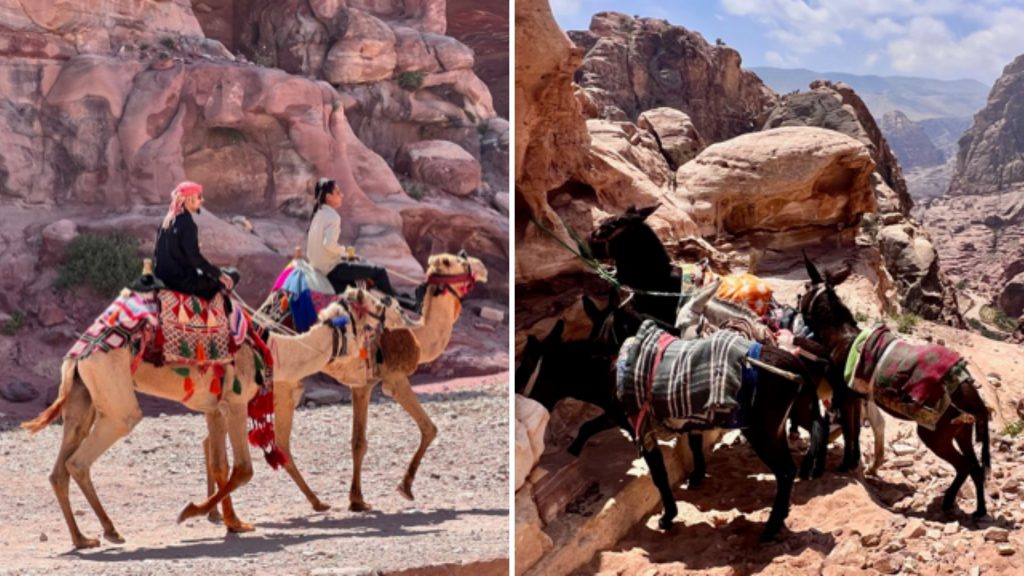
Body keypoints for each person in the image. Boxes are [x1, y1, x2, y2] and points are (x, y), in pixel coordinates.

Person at [306, 178, 415, 309]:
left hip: (319, 267)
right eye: (338, 192)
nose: (342, 195)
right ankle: (394, 308)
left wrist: (342, 256)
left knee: (359, 278)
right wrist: (343, 251)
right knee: (379, 271)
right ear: (328, 197)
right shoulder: (333, 217)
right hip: (331, 269)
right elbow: (328, 244)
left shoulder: (318, 214)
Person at [154, 181, 239, 300]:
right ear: (189, 200)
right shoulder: (187, 224)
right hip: (182, 282)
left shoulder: (165, 222)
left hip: (162, 278)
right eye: (199, 197)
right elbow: (195, 258)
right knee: (233, 274)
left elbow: (158, 253)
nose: (202, 200)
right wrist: (219, 275)